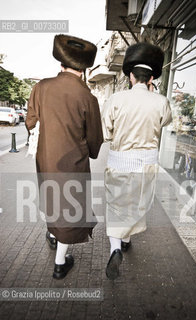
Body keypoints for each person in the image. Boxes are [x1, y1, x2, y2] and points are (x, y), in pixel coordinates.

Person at [26, 34, 103, 279]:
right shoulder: (88, 98)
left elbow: (30, 122)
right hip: (73, 161)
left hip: (46, 158)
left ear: (61, 63)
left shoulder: (41, 87)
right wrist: (91, 151)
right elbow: (95, 138)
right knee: (70, 207)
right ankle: (60, 262)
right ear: (84, 70)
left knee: (51, 196)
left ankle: (51, 234)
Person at [101, 42, 172, 280]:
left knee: (116, 204)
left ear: (131, 76)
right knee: (137, 202)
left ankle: (115, 249)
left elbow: (106, 132)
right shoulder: (161, 101)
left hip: (120, 161)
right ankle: (127, 239)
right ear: (150, 78)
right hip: (146, 163)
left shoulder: (116, 100)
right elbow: (164, 124)